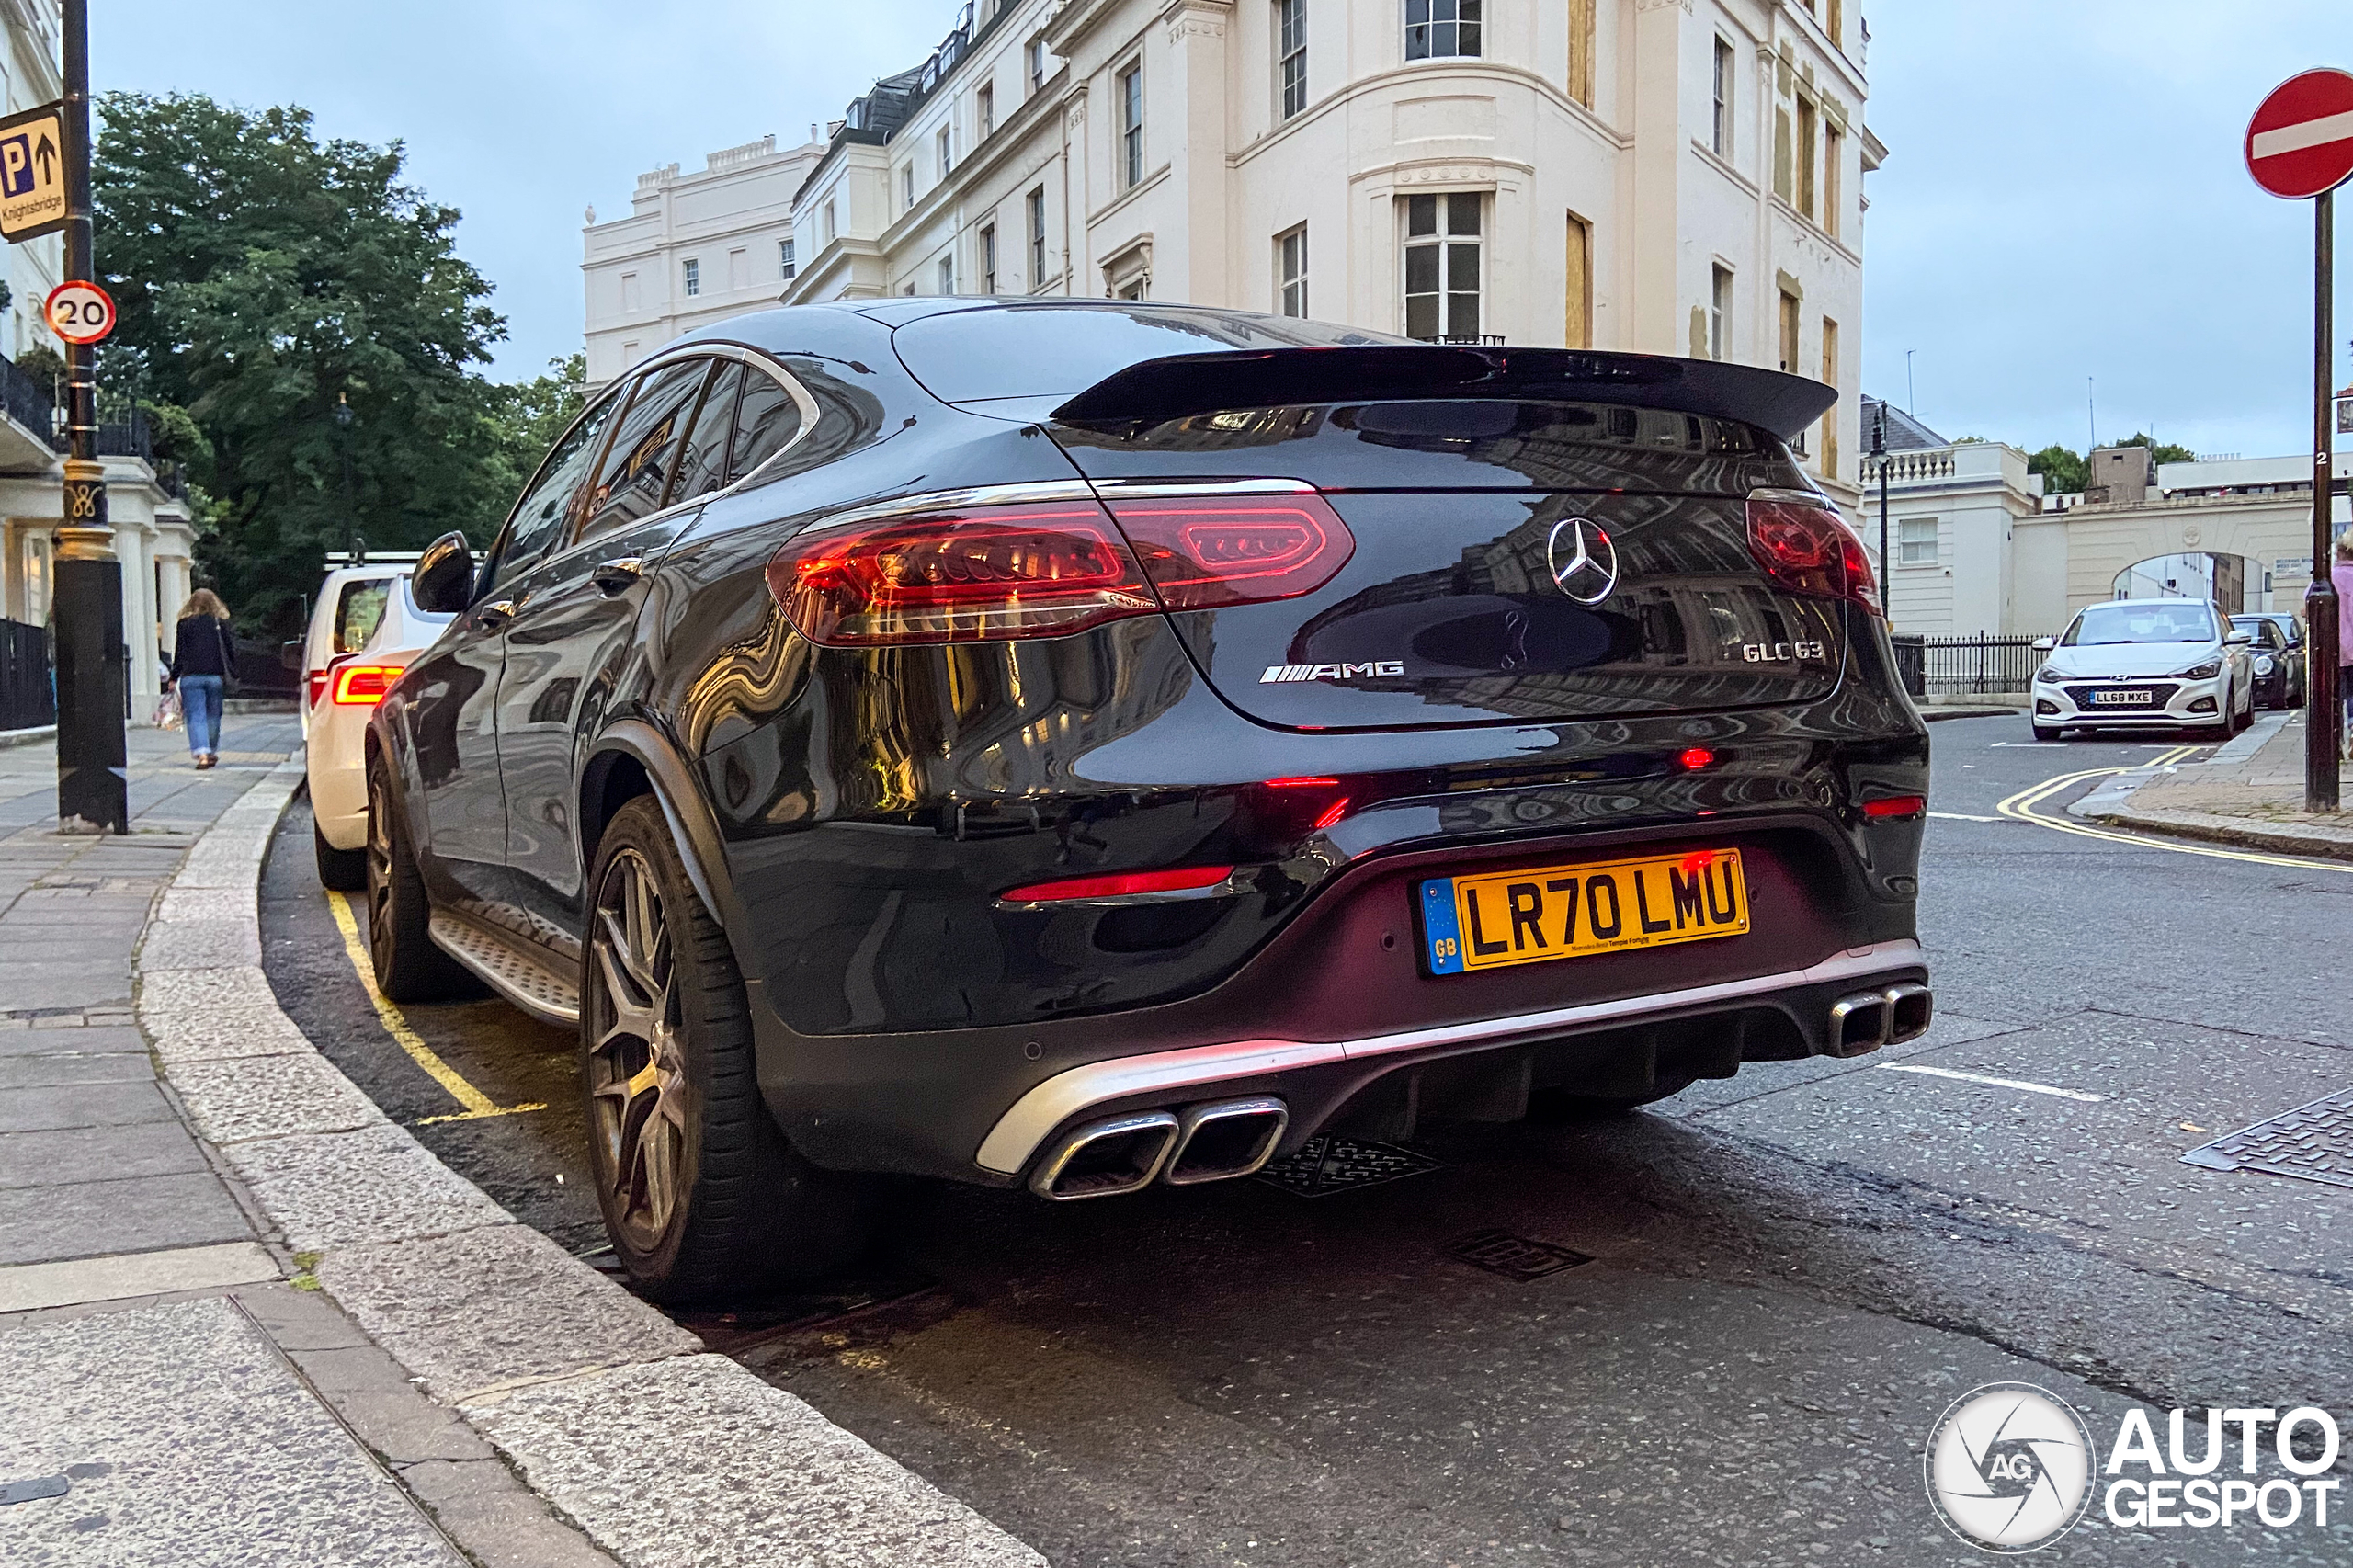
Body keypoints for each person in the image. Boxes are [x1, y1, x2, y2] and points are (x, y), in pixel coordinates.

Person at [165, 588, 235, 769]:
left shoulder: (185, 624)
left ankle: (202, 753)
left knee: (196, 716)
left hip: (191, 677)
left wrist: (174, 677)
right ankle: (211, 751)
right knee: (214, 715)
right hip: (215, 677)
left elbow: (180, 653)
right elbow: (229, 651)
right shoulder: (220, 623)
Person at [2337, 530, 2353, 760]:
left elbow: (2308, 607)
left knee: (2335, 696)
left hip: (2335, 649)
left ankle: (2335, 740)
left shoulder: (2329, 577)